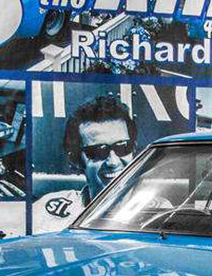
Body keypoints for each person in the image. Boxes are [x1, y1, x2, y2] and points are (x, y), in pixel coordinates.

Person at [33, 94, 137, 231]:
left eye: (122, 147)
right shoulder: (45, 215)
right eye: (98, 152)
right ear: (75, 160)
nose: (113, 162)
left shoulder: (160, 211)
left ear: (134, 149)